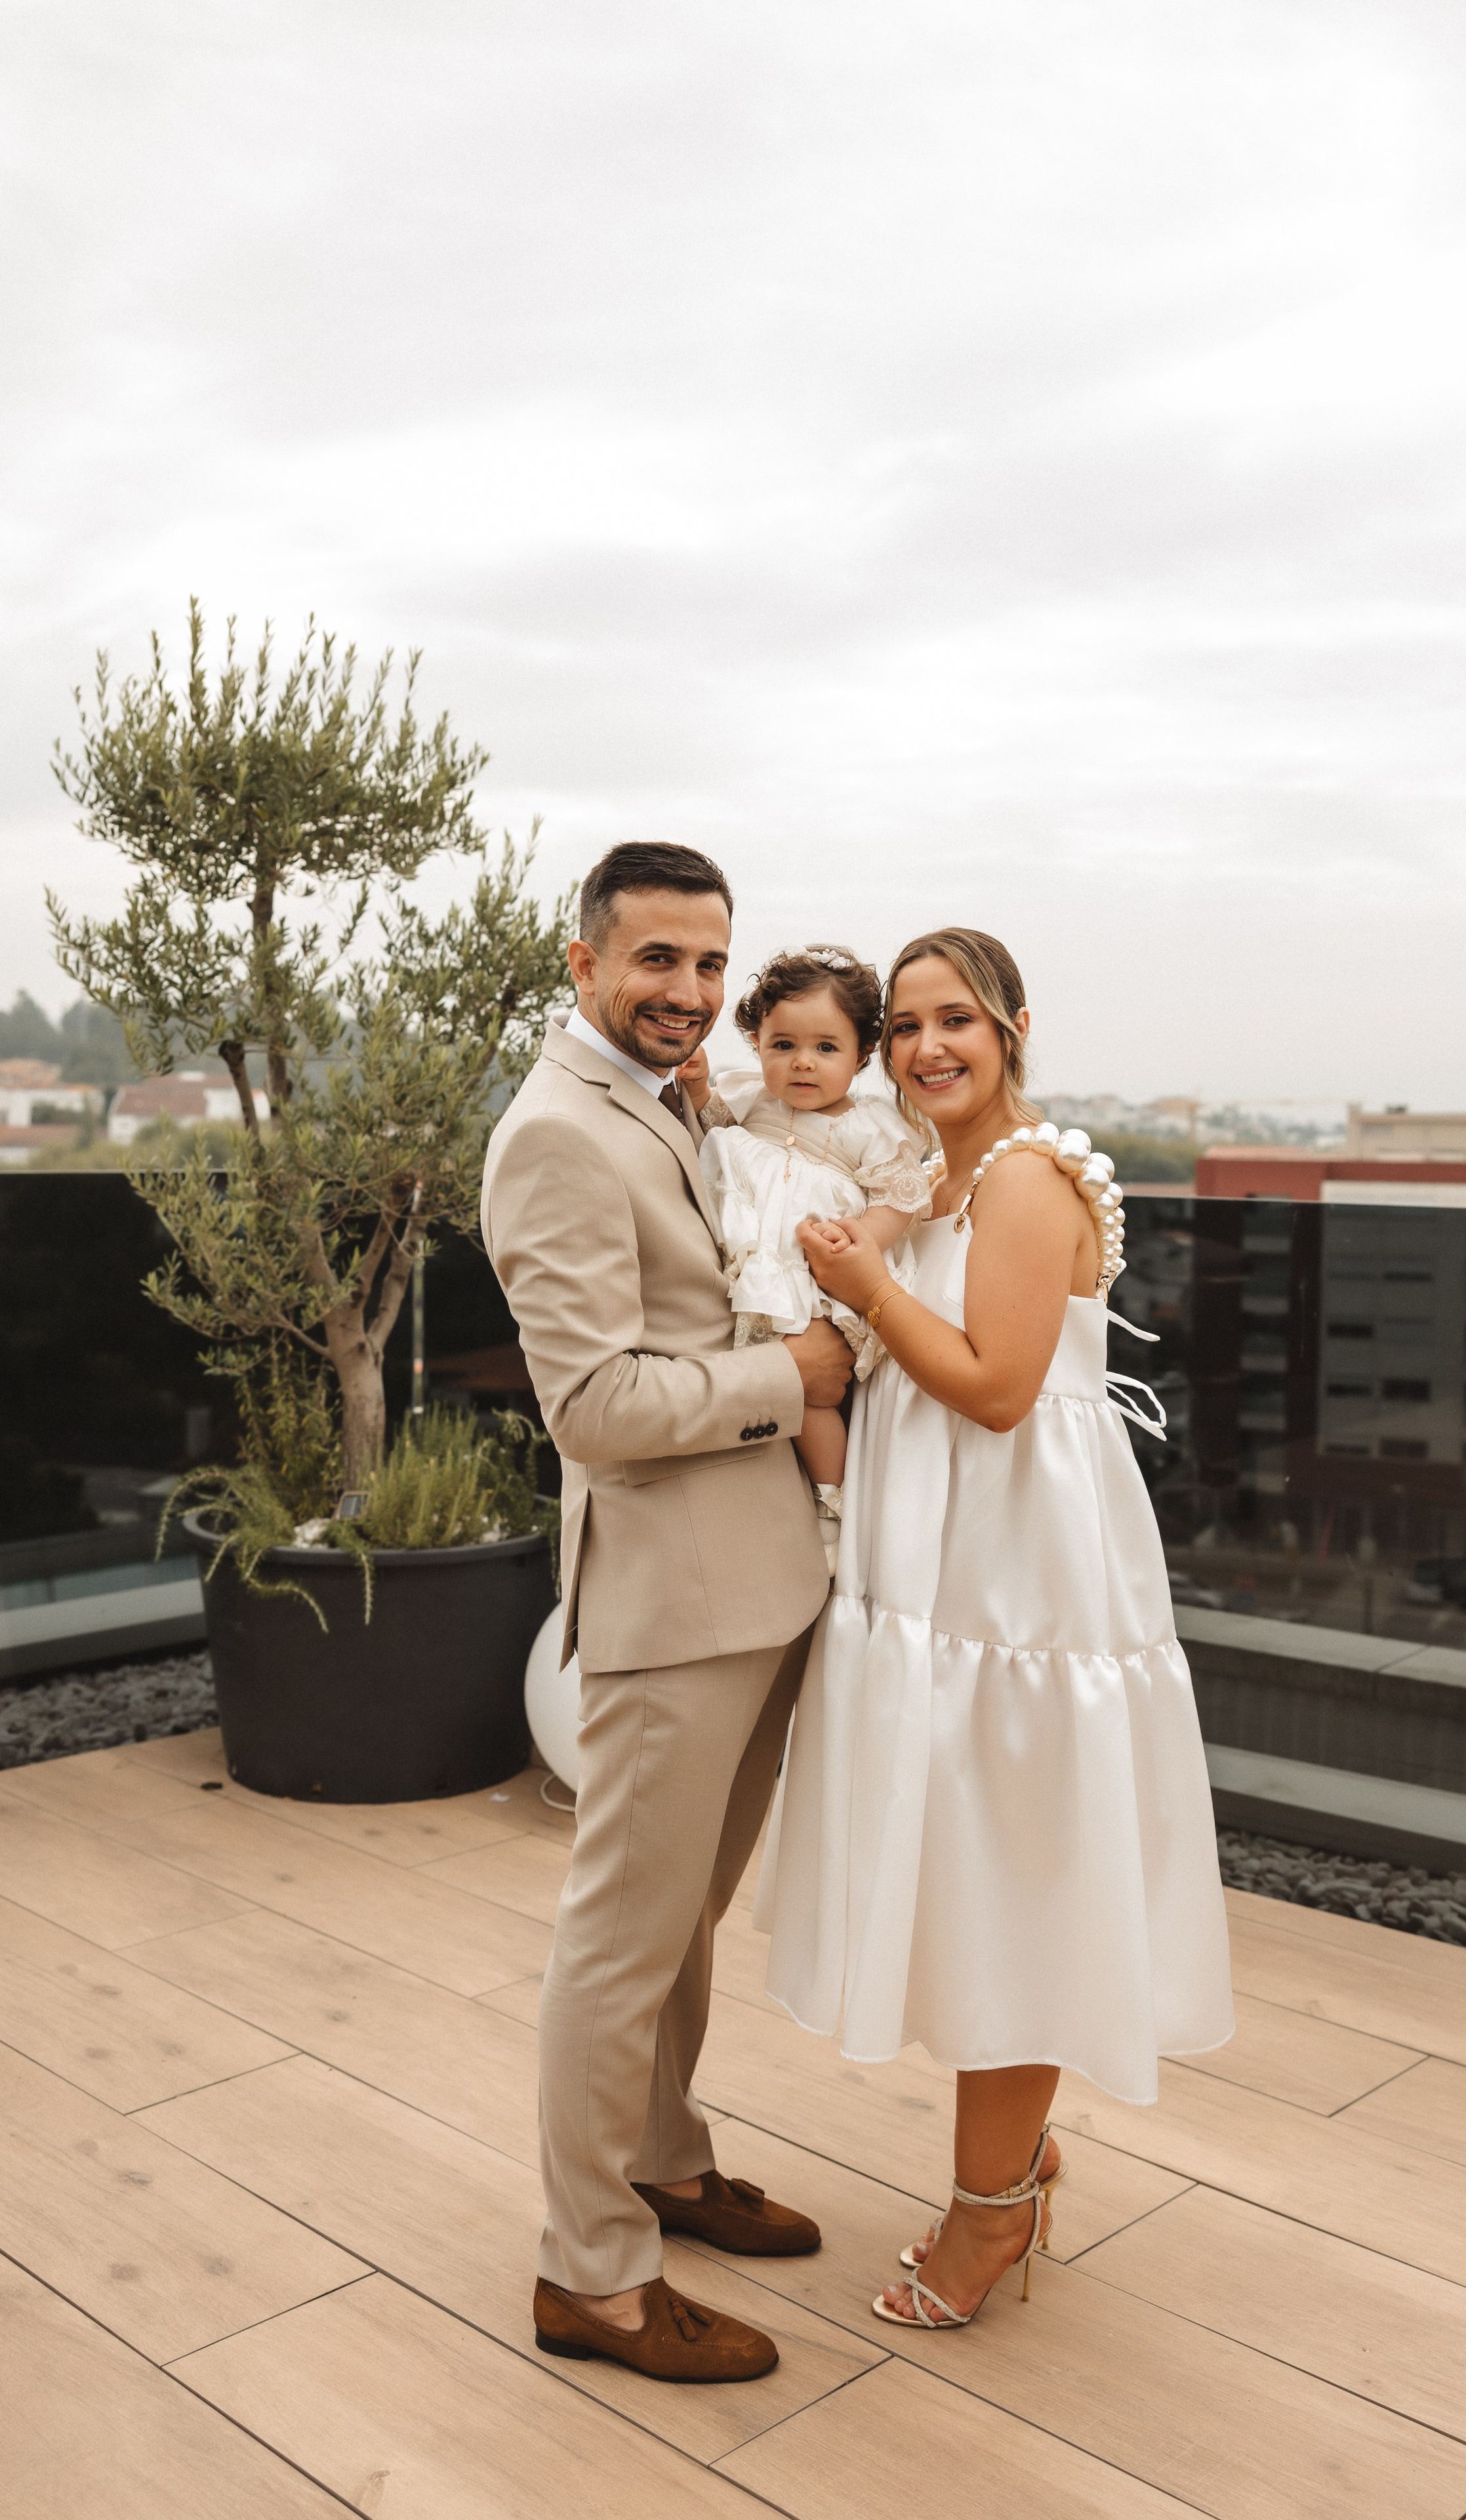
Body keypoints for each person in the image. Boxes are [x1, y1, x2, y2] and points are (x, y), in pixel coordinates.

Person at [758, 926, 1234, 2332]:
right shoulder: (939, 1175)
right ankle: (1013, 2161)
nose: (922, 1048)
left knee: (1009, 1876)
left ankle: (990, 2213)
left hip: (1013, 1582)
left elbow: (996, 1389)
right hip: (943, 1568)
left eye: (952, 1019)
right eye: (900, 1026)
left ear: (1014, 1023)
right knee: (968, 1866)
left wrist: (866, 1293)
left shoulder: (1024, 1182)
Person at [480, 840, 853, 2384]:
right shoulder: (554, 1135)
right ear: (581, 961)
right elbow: (595, 1406)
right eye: (656, 962)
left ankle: (664, 2157)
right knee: (619, 1939)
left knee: (678, 1920)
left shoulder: (678, 1096)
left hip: (758, 1580)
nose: (689, 994)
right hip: (666, 1604)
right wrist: (801, 1376)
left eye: (709, 964)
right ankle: (592, 2271)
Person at [700, 944, 931, 1571]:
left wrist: (860, 1239)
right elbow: (700, 1128)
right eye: (783, 1046)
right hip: (749, 1267)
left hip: (814, 1276)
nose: (803, 1063)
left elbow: (902, 1198)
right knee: (743, 1374)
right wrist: (695, 1085)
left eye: (826, 1048)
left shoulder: (871, 1128)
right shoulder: (747, 1100)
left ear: (860, 1056)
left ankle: (835, 1504)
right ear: (757, 1045)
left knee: (813, 1399)